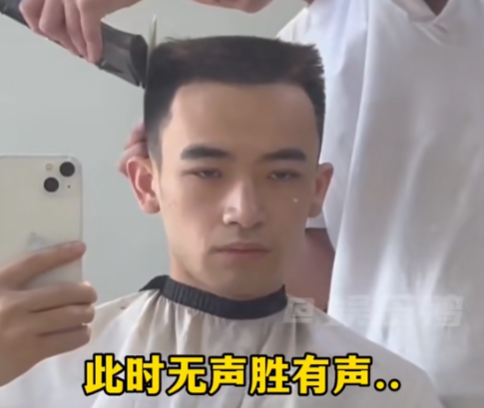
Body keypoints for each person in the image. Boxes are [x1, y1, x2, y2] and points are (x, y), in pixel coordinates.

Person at [18, 0, 484, 407]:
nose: (244, 210)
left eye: (280, 174)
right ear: (145, 183)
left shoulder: (435, 14)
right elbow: (331, 261)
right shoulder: (304, 51)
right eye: (209, 172)